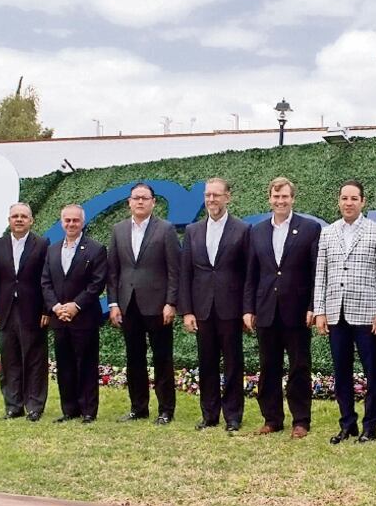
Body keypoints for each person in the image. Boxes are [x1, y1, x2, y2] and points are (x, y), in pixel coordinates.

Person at [314, 180, 376, 444]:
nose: (348, 203)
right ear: (339, 201)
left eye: (353, 198)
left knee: (372, 372)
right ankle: (347, 423)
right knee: (341, 372)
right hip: (337, 315)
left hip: (368, 315)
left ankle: (371, 425)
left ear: (362, 202)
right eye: (344, 198)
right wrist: (320, 311)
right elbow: (320, 275)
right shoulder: (328, 233)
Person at [243, 177, 321, 439]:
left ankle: (301, 420)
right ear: (269, 199)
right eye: (276, 197)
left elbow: (315, 272)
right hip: (266, 309)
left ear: (292, 199)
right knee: (268, 366)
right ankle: (272, 419)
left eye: (285, 197)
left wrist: (313, 305)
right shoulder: (257, 231)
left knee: (299, 366)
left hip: (297, 310)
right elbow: (251, 274)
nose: (280, 201)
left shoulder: (309, 229)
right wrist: (248, 308)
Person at [179, 178, 250, 432]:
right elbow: (185, 273)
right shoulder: (192, 230)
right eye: (208, 195)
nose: (212, 200)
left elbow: (247, 274)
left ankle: (233, 416)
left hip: (231, 310)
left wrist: (246, 310)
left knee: (233, 364)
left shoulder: (242, 230)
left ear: (227, 197)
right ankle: (209, 415)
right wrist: (186, 311)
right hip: (202, 310)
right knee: (207, 363)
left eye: (217, 195)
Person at [107, 182, 182, 425]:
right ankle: (138, 408)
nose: (140, 202)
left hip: (158, 306)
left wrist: (171, 302)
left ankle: (166, 410)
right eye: (136, 198)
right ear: (129, 202)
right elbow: (113, 272)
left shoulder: (166, 229)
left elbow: (175, 270)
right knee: (134, 359)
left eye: (145, 198)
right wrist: (114, 304)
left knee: (162, 359)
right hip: (129, 305)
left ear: (153, 202)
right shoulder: (118, 230)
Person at [41, 204, 107, 424]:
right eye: (67, 220)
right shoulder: (52, 249)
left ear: (82, 222)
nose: (71, 224)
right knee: (65, 365)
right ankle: (69, 409)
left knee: (86, 365)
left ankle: (88, 410)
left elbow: (97, 283)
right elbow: (46, 282)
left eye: (75, 220)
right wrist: (56, 307)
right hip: (59, 319)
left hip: (84, 318)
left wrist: (75, 306)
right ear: (62, 223)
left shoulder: (96, 249)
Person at [0, 203, 50, 421]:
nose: (19, 220)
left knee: (34, 359)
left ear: (31, 220)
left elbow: (46, 280)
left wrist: (46, 310)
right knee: (10, 359)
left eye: (24, 216)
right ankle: (13, 405)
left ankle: (34, 406)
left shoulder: (41, 244)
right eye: (15, 216)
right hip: (6, 311)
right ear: (9, 220)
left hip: (33, 311)